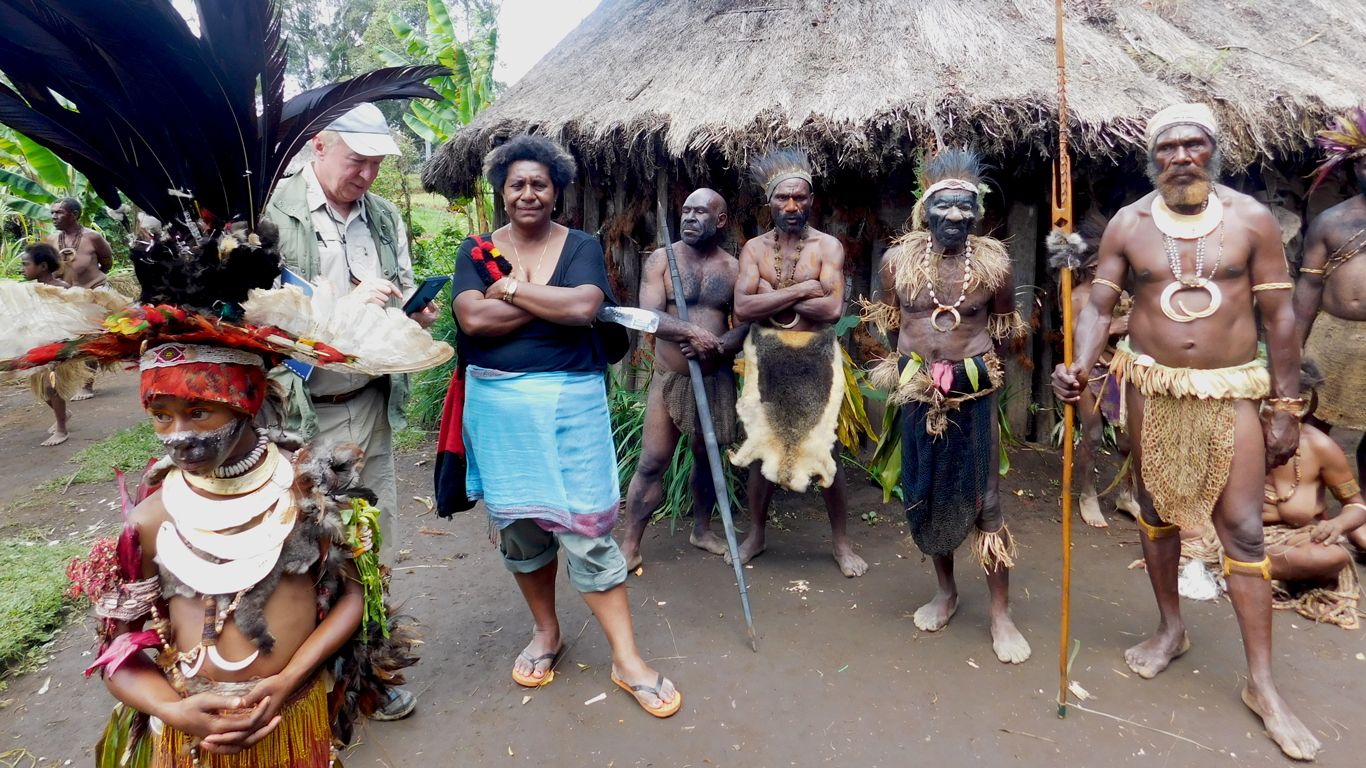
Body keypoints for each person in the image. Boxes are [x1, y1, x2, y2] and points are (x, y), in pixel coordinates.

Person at [1052, 103, 1320, 760]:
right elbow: (1099, 307)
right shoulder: (1130, 224)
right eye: (1167, 147)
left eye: (1192, 144)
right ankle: (1171, 629)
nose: (1180, 157)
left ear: (1212, 150)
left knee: (1245, 530)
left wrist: (1286, 405)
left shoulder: (1250, 220)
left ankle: (1262, 684)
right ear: (1153, 158)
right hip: (1153, 390)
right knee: (1157, 514)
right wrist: (1079, 365)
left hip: (1232, 391)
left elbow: (1281, 318)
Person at [452, 135, 680, 718]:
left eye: (540, 184)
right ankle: (546, 632)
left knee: (586, 527)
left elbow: (584, 308)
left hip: (570, 410)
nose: (528, 193)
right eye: (517, 184)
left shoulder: (579, 245)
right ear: (502, 192)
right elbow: (472, 319)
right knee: (521, 527)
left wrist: (511, 290)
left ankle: (627, 659)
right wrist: (548, 303)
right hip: (499, 414)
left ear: (556, 192)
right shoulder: (476, 249)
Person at [263, 102, 433, 721]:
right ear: (319, 146)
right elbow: (255, 313)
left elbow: (400, 286)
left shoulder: (382, 216)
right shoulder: (272, 213)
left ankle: (365, 675)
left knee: (371, 539)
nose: (366, 175)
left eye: (376, 165)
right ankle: (301, 681)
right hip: (300, 414)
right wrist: (342, 306)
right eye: (357, 161)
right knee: (304, 546)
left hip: (369, 403)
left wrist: (412, 311)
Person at [865, 148, 1030, 663]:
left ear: (977, 212)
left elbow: (1002, 331)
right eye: (944, 206)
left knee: (987, 501)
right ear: (925, 210)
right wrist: (921, 368)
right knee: (926, 492)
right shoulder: (897, 263)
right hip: (918, 391)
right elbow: (891, 326)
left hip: (973, 393)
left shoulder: (994, 265)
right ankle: (946, 592)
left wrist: (968, 371)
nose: (955, 216)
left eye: (965, 207)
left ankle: (1001, 613)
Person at [729, 148, 868, 578]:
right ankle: (756, 534)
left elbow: (831, 310)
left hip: (815, 357)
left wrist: (769, 297)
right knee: (762, 449)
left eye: (800, 198)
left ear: (811, 201)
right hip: (767, 358)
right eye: (783, 198)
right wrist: (802, 290)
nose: (792, 206)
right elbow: (742, 308)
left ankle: (841, 542)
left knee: (827, 451)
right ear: (769, 201)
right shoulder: (754, 248)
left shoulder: (828, 247)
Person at [1182, 361, 1365, 628]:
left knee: (1332, 557)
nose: (1273, 413)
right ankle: (1256, 571)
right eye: (1267, 404)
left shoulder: (1321, 447)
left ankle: (1237, 569)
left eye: (1287, 407)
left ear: (1303, 408)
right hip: (1228, 535)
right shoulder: (1232, 436)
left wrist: (1337, 524)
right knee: (1182, 528)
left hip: (1293, 541)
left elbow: (1356, 506)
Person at [620, 188, 748, 572]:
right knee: (652, 461)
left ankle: (702, 531)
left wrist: (721, 345)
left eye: (701, 212)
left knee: (707, 458)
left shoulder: (734, 268)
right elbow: (650, 317)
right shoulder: (662, 260)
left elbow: (746, 325)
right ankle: (630, 546)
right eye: (686, 211)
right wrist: (691, 332)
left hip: (715, 377)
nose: (690, 217)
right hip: (671, 377)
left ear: (720, 220)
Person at [1294, 106, 1366, 554]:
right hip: (1330, 337)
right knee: (1310, 424)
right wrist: (1292, 352)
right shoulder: (1331, 222)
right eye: (1365, 162)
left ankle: (1360, 517)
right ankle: (1310, 512)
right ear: (1353, 167)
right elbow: (1307, 291)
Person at [1047, 214, 1140, 527]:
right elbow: (1075, 335)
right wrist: (1115, 325)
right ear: (1091, 266)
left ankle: (1126, 494)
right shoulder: (1077, 297)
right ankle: (1087, 493)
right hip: (1087, 372)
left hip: (1118, 369)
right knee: (1094, 434)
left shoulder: (1118, 295)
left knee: (1128, 438)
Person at [19, 242, 83, 446]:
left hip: (58, 344)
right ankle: (63, 414)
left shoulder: (61, 288)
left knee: (51, 386)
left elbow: (73, 315)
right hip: (38, 343)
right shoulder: (29, 290)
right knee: (43, 390)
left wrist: (68, 345)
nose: (22, 269)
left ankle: (62, 429)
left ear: (43, 266)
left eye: (26, 264)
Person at [46, 196, 113, 287]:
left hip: (94, 290)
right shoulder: (51, 240)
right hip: (65, 293)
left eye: (59, 212)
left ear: (75, 214)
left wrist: (90, 282)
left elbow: (107, 264)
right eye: (52, 213)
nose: (54, 217)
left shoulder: (93, 237)